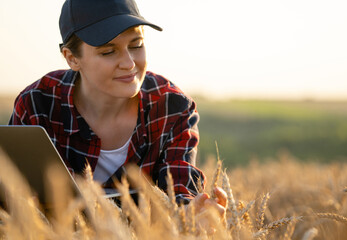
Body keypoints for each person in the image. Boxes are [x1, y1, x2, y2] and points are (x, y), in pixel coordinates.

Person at [9, 0, 227, 223]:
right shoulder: (37, 103)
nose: (129, 63)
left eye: (136, 45)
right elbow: (12, 194)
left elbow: (180, 194)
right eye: (108, 51)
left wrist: (193, 215)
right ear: (72, 58)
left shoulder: (173, 107)